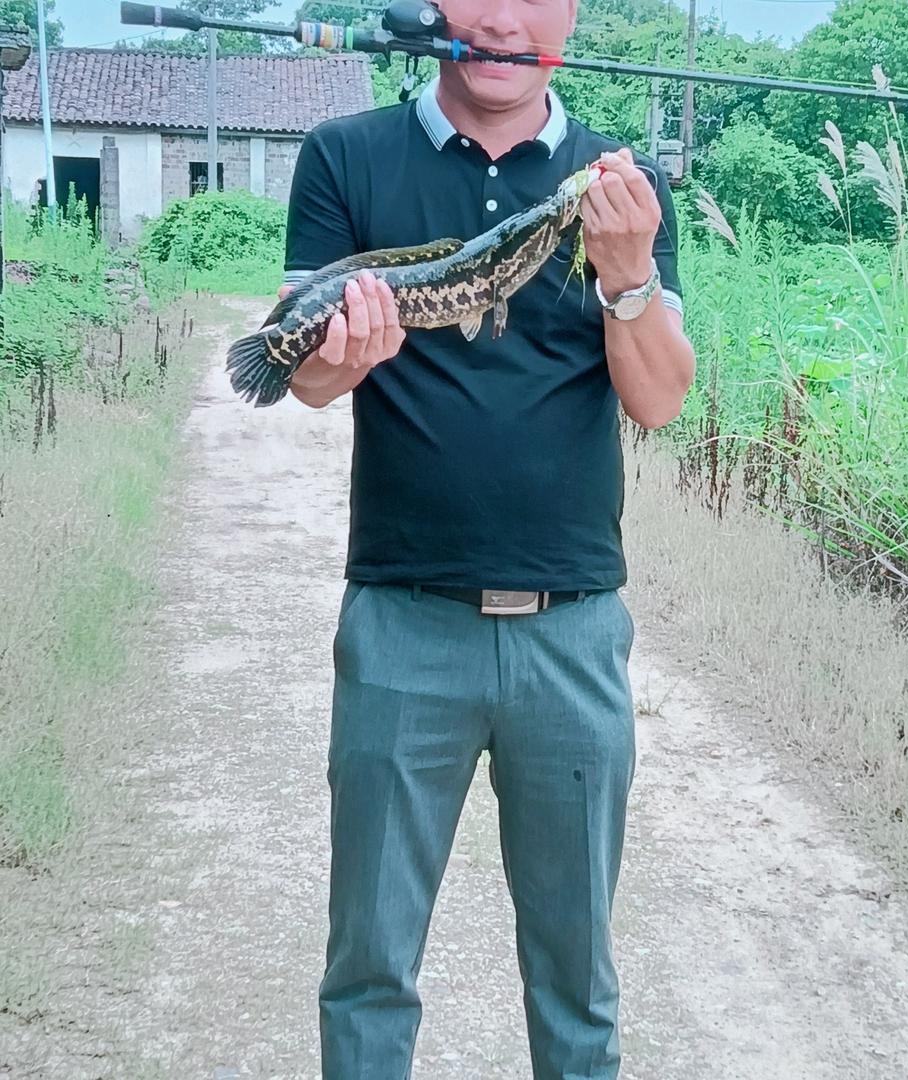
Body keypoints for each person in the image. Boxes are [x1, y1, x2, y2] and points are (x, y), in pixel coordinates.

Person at [278, 1, 696, 1075]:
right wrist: (347, 348)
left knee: (577, 972)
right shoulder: (345, 155)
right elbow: (308, 381)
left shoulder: (619, 183)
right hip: (402, 626)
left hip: (575, 635)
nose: (504, 18)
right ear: (432, 12)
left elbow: (657, 401)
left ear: (571, 15)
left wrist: (630, 272)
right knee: (369, 962)